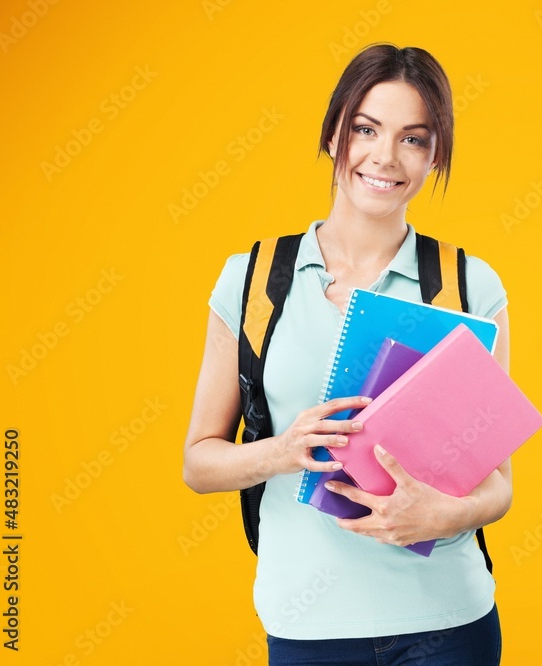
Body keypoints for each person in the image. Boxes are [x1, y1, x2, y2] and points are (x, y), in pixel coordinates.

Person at [182, 43, 511, 665]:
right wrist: (283, 450)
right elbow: (199, 464)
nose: (385, 157)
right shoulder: (251, 280)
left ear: (434, 155)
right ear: (334, 134)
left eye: (414, 139)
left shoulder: (468, 284)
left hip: (449, 622)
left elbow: (498, 487)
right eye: (366, 129)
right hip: (309, 624)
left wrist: (438, 516)